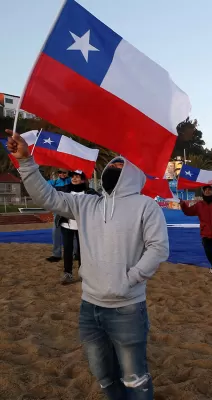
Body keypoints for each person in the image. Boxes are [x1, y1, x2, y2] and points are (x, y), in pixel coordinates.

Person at [5, 129, 169, 399]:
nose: (113, 169)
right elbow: (47, 197)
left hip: (127, 308)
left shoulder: (145, 206)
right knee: (103, 376)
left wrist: (131, 279)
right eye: (111, 166)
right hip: (89, 307)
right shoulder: (87, 204)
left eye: (120, 166)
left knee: (135, 379)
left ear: (132, 174)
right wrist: (25, 162)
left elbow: (158, 247)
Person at [58, 171, 100, 285]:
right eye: (73, 176)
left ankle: (84, 274)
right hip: (66, 224)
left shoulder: (90, 192)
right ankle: (68, 273)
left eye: (77, 176)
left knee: (83, 250)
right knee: (67, 249)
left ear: (82, 179)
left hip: (83, 225)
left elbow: (100, 201)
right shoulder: (64, 190)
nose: (74, 178)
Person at [180, 185, 212, 281]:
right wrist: (183, 205)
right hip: (206, 233)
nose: (208, 191)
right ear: (203, 192)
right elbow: (189, 212)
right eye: (206, 190)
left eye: (209, 190)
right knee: (208, 252)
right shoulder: (199, 205)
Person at [46, 169, 71, 262]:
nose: (62, 174)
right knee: (55, 232)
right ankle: (56, 254)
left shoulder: (72, 180)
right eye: (60, 172)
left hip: (70, 210)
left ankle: (76, 253)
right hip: (58, 210)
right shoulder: (54, 182)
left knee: (74, 233)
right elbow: (42, 185)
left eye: (64, 172)